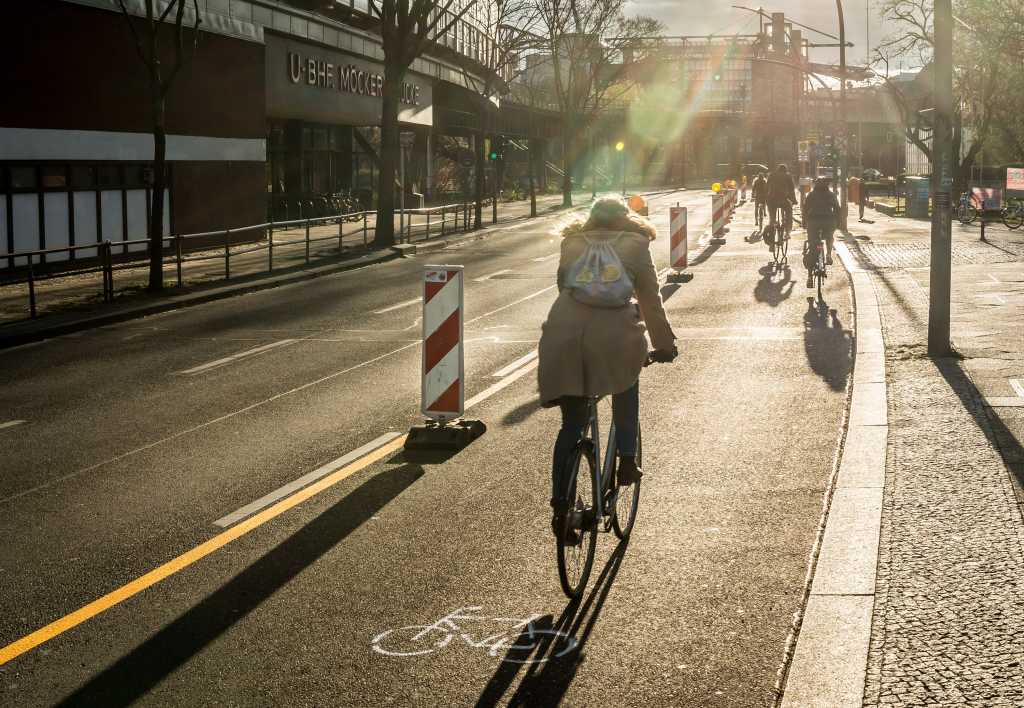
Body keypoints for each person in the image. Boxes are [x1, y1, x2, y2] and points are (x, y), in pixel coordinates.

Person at [538, 197, 677, 541]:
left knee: (572, 424)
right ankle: (628, 460)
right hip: (614, 334)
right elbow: (649, 297)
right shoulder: (636, 244)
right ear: (624, 219)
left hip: (563, 333)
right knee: (626, 384)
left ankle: (560, 504)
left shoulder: (571, 243)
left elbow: (564, 288)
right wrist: (664, 344)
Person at [803, 178, 841, 286]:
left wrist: (804, 222)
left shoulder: (811, 195)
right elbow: (837, 209)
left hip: (813, 222)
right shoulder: (831, 195)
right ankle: (828, 254)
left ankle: (810, 277)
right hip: (828, 221)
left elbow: (805, 209)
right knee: (829, 236)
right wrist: (838, 222)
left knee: (812, 247)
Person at [767, 164, 797, 234]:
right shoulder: (788, 176)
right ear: (785, 170)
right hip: (784, 200)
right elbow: (792, 189)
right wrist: (794, 200)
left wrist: (767, 198)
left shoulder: (771, 175)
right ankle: (787, 231)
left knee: (772, 217)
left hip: (772, 200)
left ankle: (772, 224)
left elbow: (767, 187)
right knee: (789, 214)